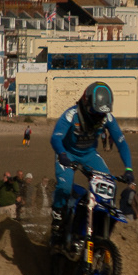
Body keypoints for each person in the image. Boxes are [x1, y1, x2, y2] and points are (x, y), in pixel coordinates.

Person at [49, 81, 133, 242]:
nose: (99, 117)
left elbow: (122, 143)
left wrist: (129, 169)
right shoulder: (71, 115)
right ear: (87, 104)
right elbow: (55, 138)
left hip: (90, 155)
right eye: (96, 113)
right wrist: (62, 154)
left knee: (109, 186)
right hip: (67, 153)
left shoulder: (107, 118)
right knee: (65, 187)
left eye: (102, 114)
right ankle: (57, 215)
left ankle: (100, 225)